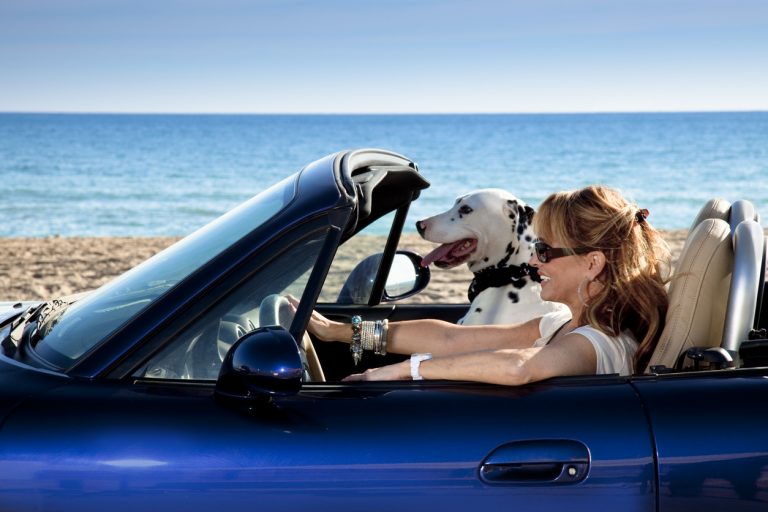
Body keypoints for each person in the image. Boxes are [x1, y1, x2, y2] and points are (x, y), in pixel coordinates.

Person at [300, 185, 671, 385]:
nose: (531, 260)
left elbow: (520, 368)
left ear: (592, 264)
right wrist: (340, 332)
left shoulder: (597, 342)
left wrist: (403, 370)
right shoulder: (561, 323)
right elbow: (449, 339)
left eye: (544, 250)